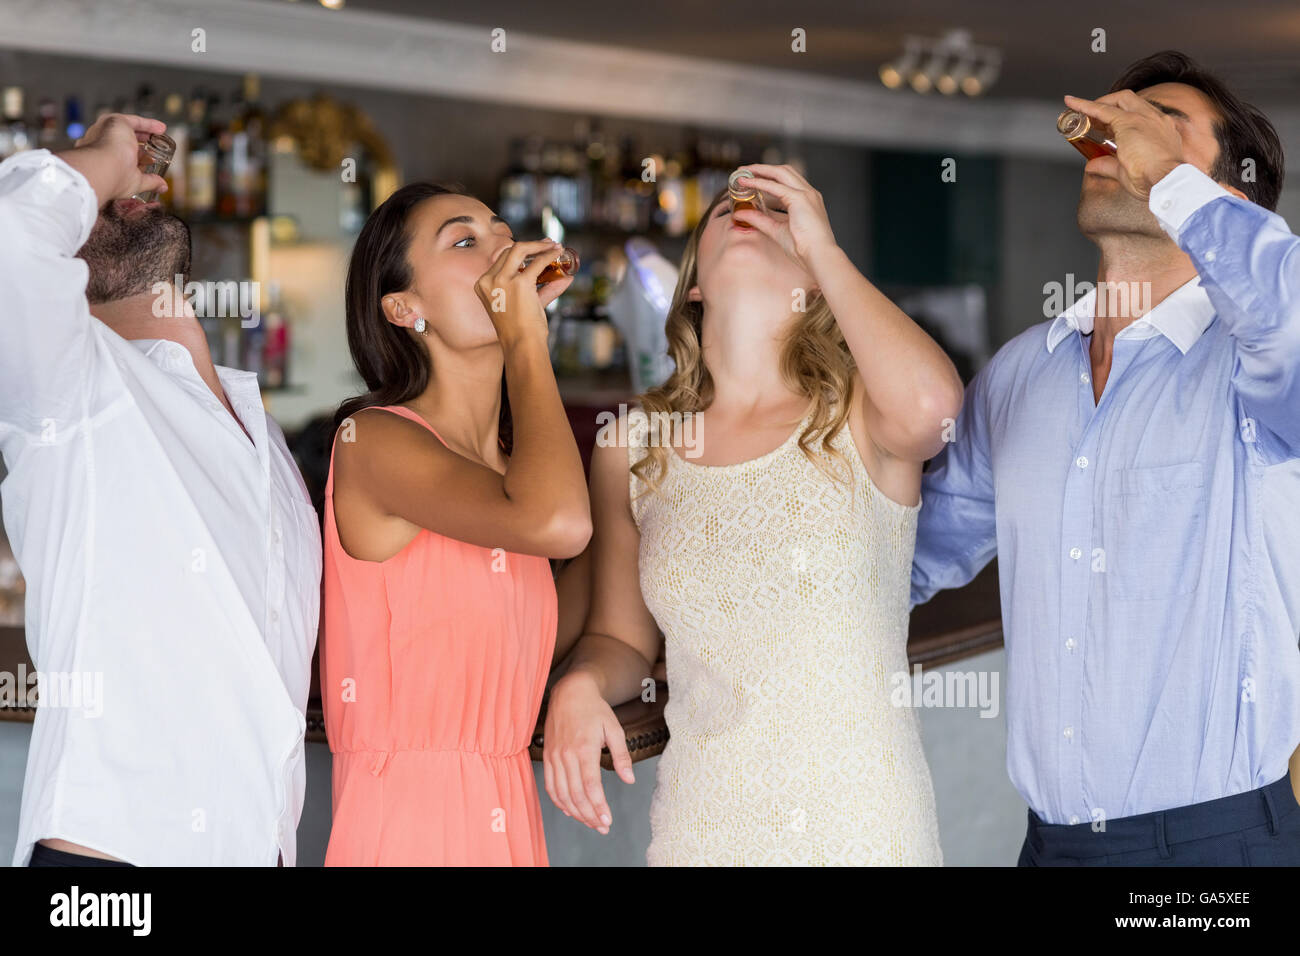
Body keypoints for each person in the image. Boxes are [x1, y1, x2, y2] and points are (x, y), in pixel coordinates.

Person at [911, 50, 1300, 866]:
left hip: (1214, 847)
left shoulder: (1257, 364)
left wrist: (1167, 177)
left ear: (1227, 194)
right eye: (1118, 116)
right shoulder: (1021, 371)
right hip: (1048, 847)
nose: (1115, 132)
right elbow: (911, 552)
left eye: (1161, 122)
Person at [543, 164, 964, 865]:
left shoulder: (861, 415)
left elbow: (934, 409)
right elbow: (621, 637)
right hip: (703, 826)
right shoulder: (631, 447)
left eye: (778, 214)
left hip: (863, 827)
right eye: (729, 210)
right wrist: (581, 685)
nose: (750, 211)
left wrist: (826, 251)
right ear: (695, 284)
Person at [0, 113, 321, 866]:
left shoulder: (263, 435)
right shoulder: (66, 388)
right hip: (112, 867)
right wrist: (106, 158)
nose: (117, 198)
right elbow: (10, 235)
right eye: (91, 197)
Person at [321, 183, 591, 865]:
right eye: (465, 241)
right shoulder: (374, 441)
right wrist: (526, 334)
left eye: (502, 231)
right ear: (405, 307)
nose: (502, 247)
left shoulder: (514, 474)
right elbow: (559, 524)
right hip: (408, 830)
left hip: (506, 819)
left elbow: (548, 629)